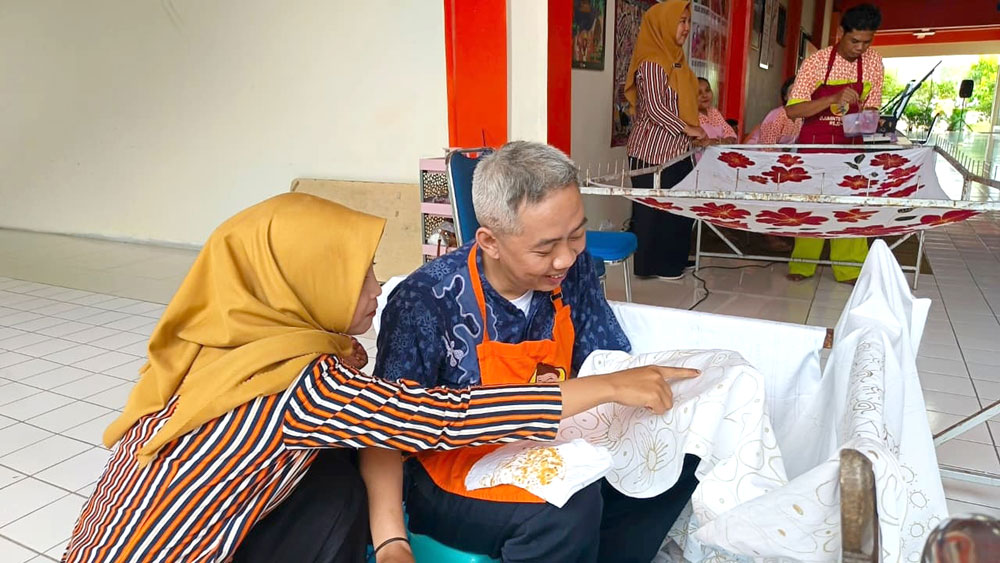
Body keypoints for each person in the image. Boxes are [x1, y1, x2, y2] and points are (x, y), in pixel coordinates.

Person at [61, 193, 695, 563]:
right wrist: (611, 387)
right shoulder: (301, 384)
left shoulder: (226, 345)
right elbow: (446, 416)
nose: (375, 288)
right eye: (357, 275)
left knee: (336, 477)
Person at [375, 142, 702, 563]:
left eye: (577, 235)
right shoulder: (426, 300)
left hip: (550, 437)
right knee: (568, 508)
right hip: (452, 468)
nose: (565, 258)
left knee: (680, 449)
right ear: (490, 241)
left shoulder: (572, 269)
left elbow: (602, 361)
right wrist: (391, 542)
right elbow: (382, 431)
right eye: (545, 249)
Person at [784, 3, 884, 283]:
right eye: (854, 41)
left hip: (850, 147)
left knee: (851, 206)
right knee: (810, 205)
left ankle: (850, 268)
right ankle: (803, 264)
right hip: (813, 145)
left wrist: (869, 119)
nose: (860, 48)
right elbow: (793, 111)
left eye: (867, 42)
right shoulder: (816, 62)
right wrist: (832, 99)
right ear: (841, 32)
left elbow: (872, 106)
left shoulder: (874, 63)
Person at [625, 0, 706, 280]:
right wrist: (688, 128)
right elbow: (654, 108)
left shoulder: (678, 61)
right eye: (680, 21)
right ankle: (651, 267)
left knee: (679, 209)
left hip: (679, 151)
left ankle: (673, 262)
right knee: (652, 213)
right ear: (663, 25)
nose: (686, 28)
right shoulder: (652, 62)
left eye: (688, 21)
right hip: (652, 151)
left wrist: (692, 132)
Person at [744, 76, 802, 145]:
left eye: (800, 91)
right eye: (792, 91)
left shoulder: (802, 116)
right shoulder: (777, 114)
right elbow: (766, 145)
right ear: (785, 97)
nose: (796, 95)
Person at [695, 77, 737, 147]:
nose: (705, 95)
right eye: (699, 93)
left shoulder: (714, 112)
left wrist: (722, 141)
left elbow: (730, 134)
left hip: (720, 152)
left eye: (707, 90)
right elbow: (695, 142)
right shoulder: (691, 116)